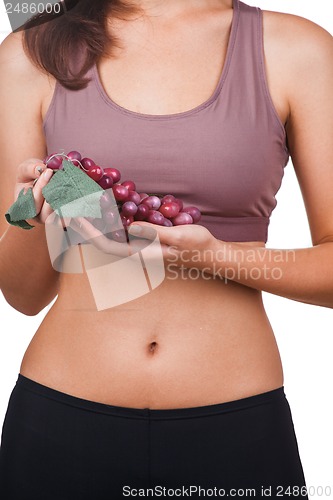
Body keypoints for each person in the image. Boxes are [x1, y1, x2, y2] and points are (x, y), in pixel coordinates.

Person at [0, 0, 332, 498]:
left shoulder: (297, 48)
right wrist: (35, 208)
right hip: (60, 418)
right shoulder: (32, 48)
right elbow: (23, 294)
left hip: (235, 428)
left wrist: (216, 256)